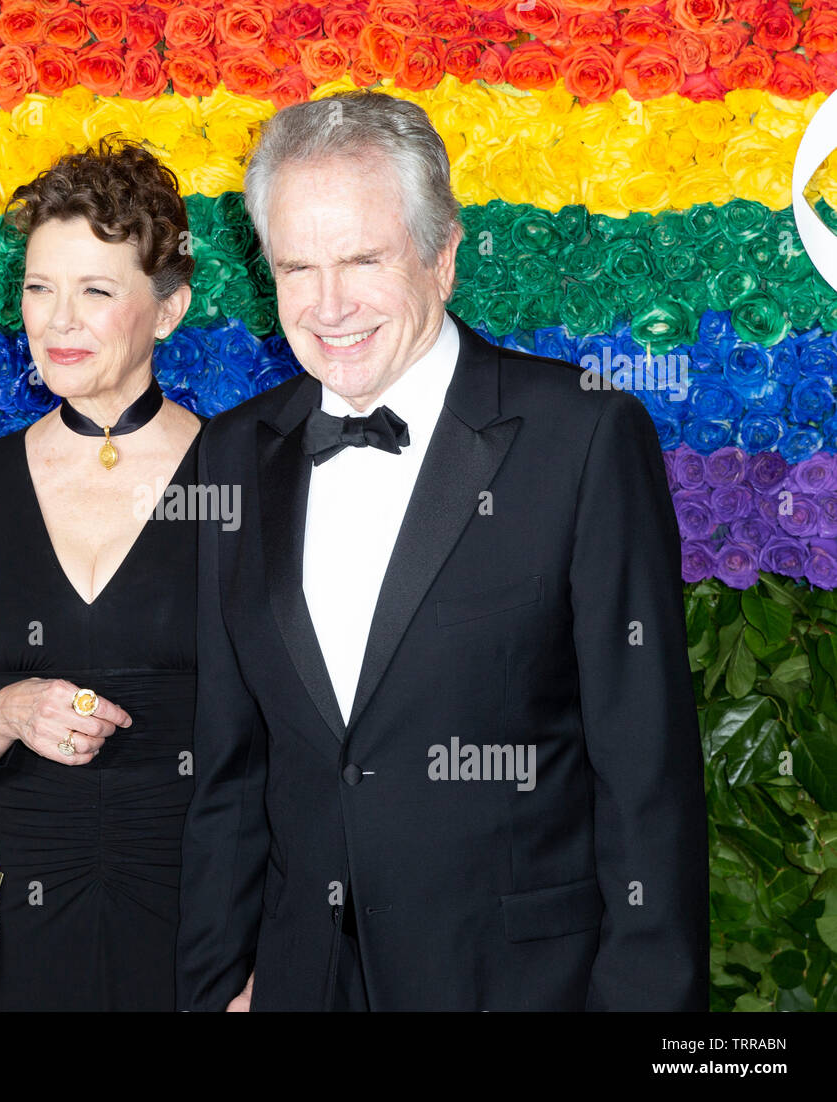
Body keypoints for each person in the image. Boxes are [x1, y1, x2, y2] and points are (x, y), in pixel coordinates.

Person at [175, 91, 708, 1011]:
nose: (328, 304)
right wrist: (216, 984)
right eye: (298, 266)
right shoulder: (229, 453)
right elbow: (231, 767)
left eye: (363, 259)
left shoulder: (583, 435)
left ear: (444, 256)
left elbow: (647, 776)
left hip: (519, 984)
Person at [0, 136, 203, 1010]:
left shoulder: (249, 479)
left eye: (96, 292)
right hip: (11, 960)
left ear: (168, 310)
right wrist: (3, 715)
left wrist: (262, 961)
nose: (57, 321)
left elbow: (297, 762)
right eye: (39, 288)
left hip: (197, 950)